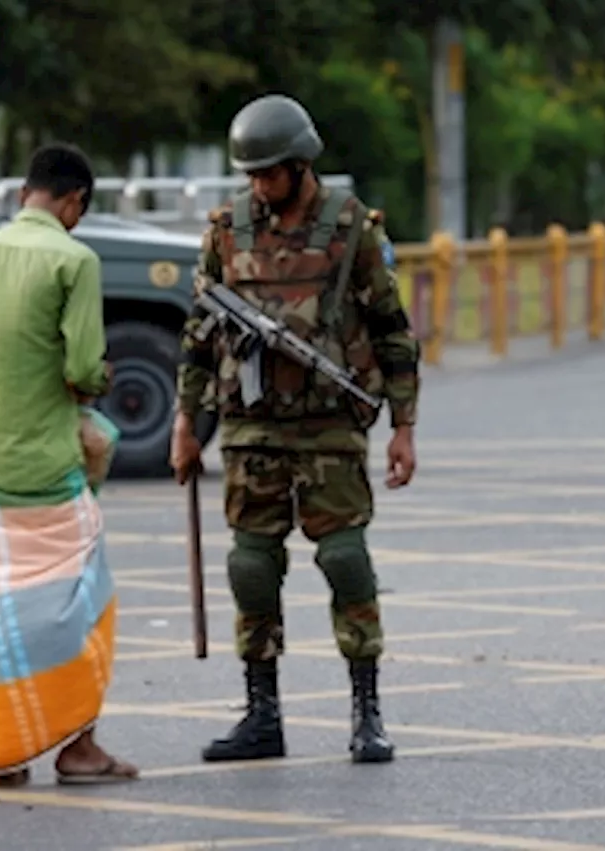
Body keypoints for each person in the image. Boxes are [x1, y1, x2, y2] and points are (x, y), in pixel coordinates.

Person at [169, 94, 421, 766]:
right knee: (251, 567)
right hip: (251, 428)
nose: (258, 186)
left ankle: (366, 710)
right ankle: (262, 714)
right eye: (249, 175)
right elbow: (198, 334)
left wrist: (404, 426)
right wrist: (186, 423)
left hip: (330, 426)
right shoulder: (227, 230)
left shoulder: (349, 226)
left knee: (344, 560)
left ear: (301, 163)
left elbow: (393, 331)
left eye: (269, 174)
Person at [0, 142, 139, 787]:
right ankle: (78, 748)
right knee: (83, 603)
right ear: (74, 202)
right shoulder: (75, 260)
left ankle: (2, 752)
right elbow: (81, 369)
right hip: (43, 469)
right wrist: (95, 378)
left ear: (27, 194)